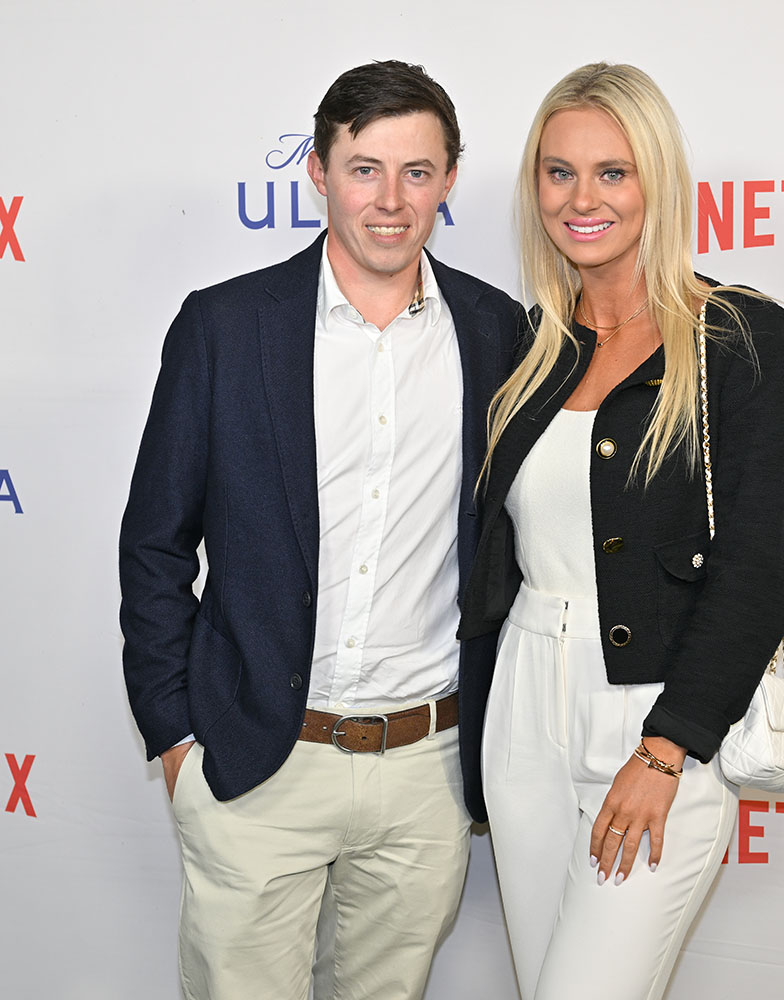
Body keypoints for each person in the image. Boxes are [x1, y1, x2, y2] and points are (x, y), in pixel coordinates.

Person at [120, 60, 522, 1000]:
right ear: (318, 170)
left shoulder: (497, 332)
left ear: (451, 180)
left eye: (417, 172)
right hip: (257, 762)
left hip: (426, 773)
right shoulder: (225, 326)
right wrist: (175, 735)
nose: (391, 200)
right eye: (365, 168)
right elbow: (155, 543)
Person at [457, 63, 784, 1000]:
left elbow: (759, 572)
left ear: (658, 181)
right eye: (558, 171)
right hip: (524, 705)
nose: (582, 198)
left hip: (656, 717)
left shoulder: (736, 337)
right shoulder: (528, 347)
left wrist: (667, 748)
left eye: (613, 172)